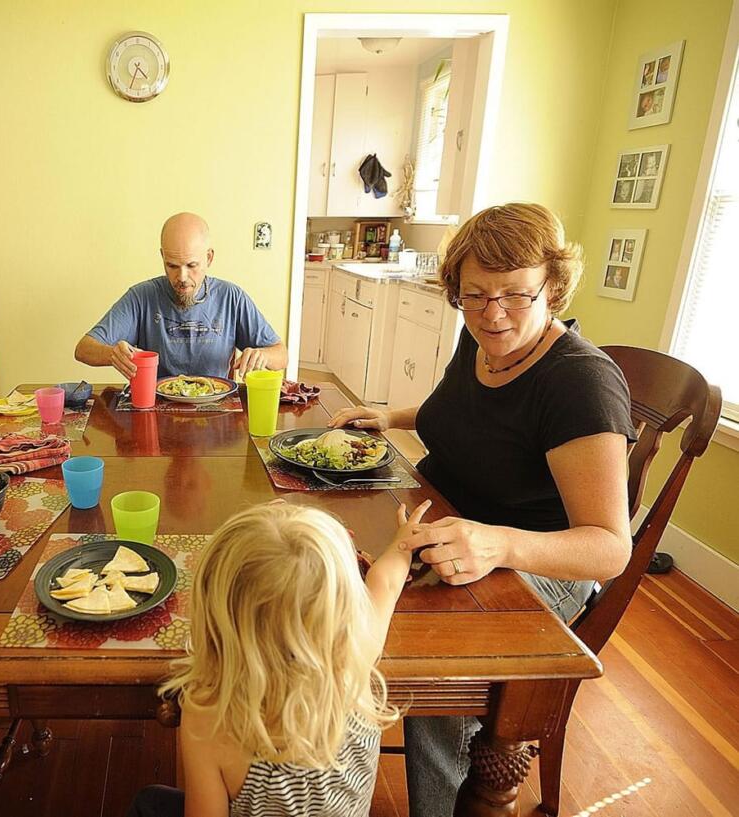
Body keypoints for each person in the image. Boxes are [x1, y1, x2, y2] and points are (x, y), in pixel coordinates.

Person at [326, 202, 636, 816]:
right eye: (475, 296)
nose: (493, 315)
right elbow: (460, 416)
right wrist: (391, 416)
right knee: (320, 567)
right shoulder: (480, 341)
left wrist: (500, 544)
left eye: (516, 295)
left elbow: (610, 547)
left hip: (540, 564)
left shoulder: (580, 383)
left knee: (432, 662)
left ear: (552, 286)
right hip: (445, 524)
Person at [127, 498, 431, 817]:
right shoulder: (355, 662)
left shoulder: (210, 716)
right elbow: (386, 581)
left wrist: (262, 526)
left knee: (149, 801)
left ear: (215, 617)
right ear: (344, 608)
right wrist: (404, 542)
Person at [74, 212, 287, 381]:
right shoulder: (142, 297)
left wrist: (263, 356)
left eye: (192, 265)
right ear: (162, 256)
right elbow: (83, 349)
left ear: (209, 258)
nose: (182, 277)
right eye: (172, 266)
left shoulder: (231, 297)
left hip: (215, 410)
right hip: (154, 408)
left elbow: (281, 355)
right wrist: (113, 354)